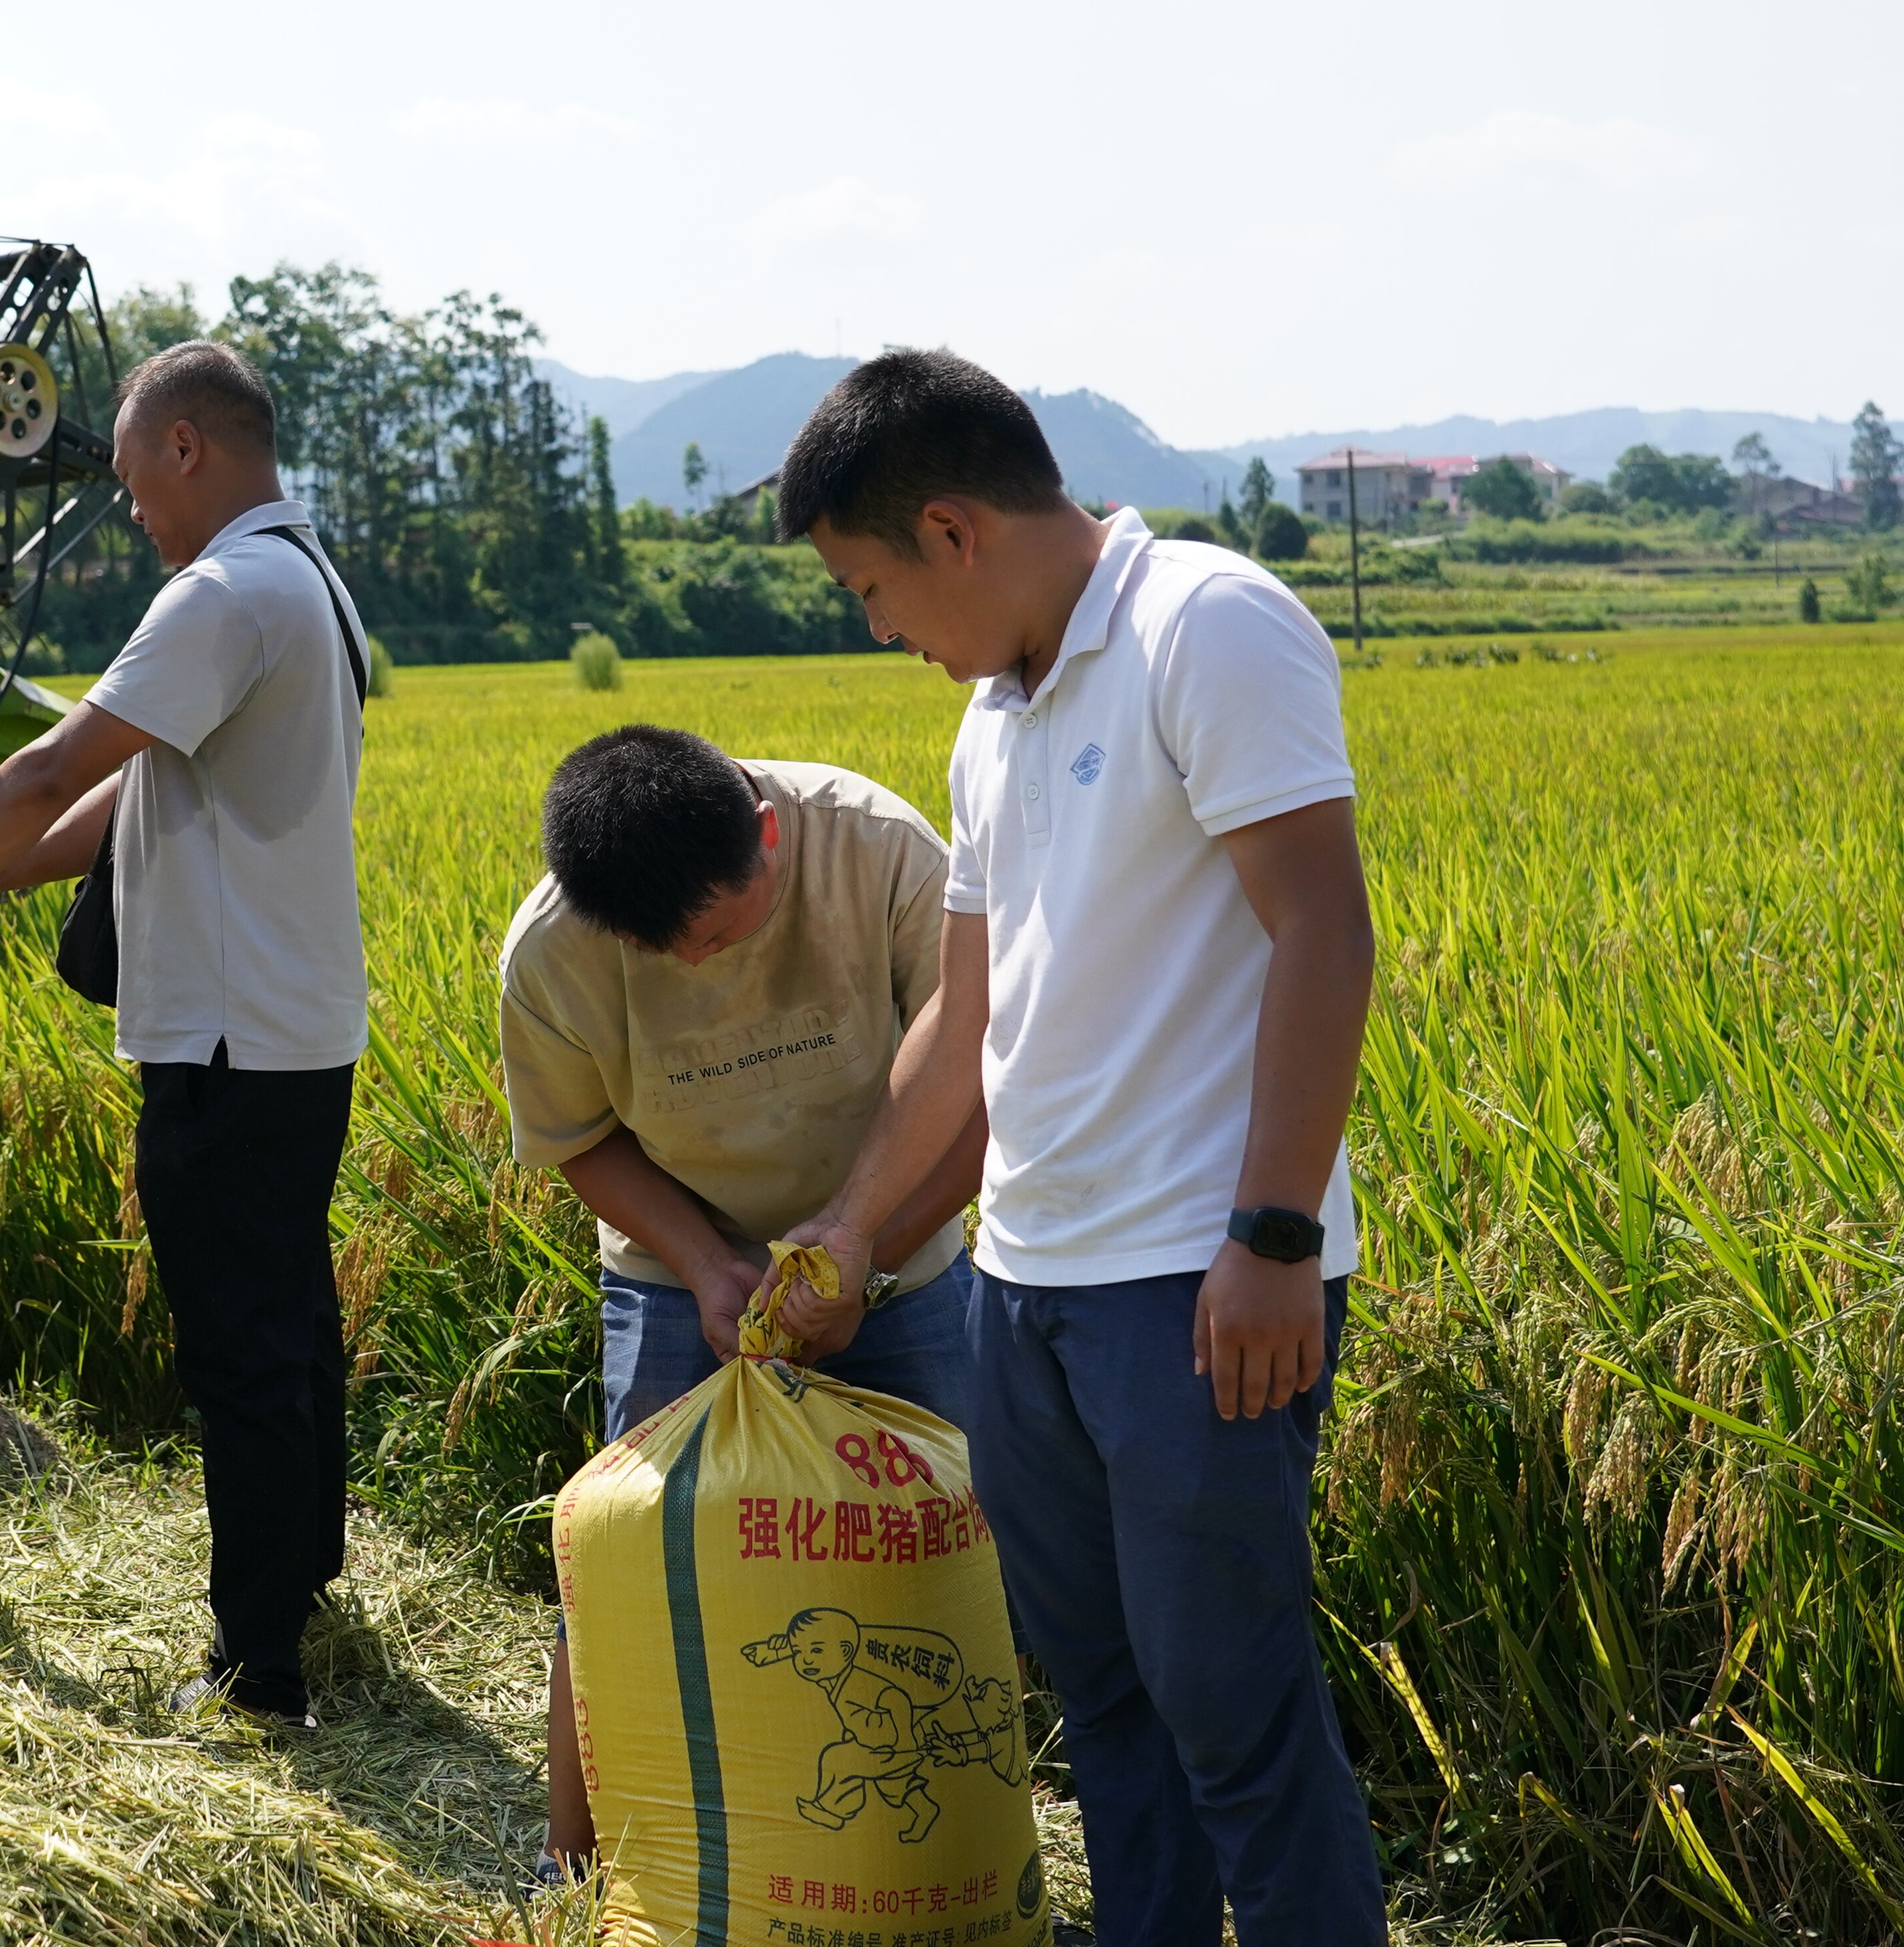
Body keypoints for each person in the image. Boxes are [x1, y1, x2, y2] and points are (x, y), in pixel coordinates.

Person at [776, 350, 1385, 1945]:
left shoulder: (1203, 623)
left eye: (867, 586)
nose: (876, 626)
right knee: (1104, 1700)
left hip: (1192, 1282)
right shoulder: (994, 713)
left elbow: (1321, 931)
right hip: (1023, 1281)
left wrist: (1272, 1236)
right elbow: (964, 1012)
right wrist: (851, 1224)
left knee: (1231, 1710)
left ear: (950, 529)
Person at [0, 339, 367, 1730]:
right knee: (289, 1318)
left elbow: (49, 766)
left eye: (130, 478)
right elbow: (125, 795)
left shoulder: (222, 591)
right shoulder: (308, 579)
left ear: (186, 445)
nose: (132, 507)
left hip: (225, 1038)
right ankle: (303, 1580)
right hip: (296, 1025)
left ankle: (259, 1672)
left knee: (240, 1347)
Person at [499, 724, 988, 1871]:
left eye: (717, 934)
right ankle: (577, 1870)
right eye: (657, 950)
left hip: (903, 1262)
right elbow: (578, 1137)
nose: (694, 965)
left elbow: (987, 1082)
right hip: (682, 1276)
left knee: (946, 1552)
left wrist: (863, 1250)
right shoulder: (551, 951)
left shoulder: (877, 851)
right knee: (629, 1557)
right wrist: (704, 1263)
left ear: (766, 836)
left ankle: (936, 1868)